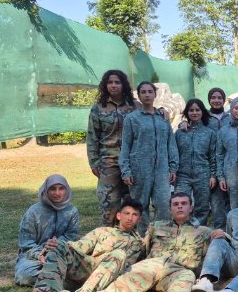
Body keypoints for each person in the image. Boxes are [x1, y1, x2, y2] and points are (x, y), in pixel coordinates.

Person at [56, 193, 225, 292]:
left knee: (187, 276)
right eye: (175, 204)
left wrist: (224, 235)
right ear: (170, 209)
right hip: (152, 265)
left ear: (191, 208)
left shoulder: (203, 231)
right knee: (124, 284)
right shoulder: (156, 226)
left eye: (184, 203)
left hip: (177, 271)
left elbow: (219, 252)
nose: (179, 206)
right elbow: (142, 249)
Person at [29, 198, 144, 292]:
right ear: (118, 215)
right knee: (61, 245)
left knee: (119, 254)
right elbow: (79, 246)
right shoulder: (103, 231)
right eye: (126, 213)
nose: (130, 218)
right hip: (88, 266)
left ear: (139, 219)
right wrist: (58, 246)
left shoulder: (139, 244)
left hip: (108, 274)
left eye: (135, 215)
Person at [118, 82, 178, 234]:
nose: (147, 95)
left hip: (162, 170)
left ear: (155, 94)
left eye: (150, 92)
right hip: (139, 170)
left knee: (163, 204)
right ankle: (143, 239)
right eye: (143, 92)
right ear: (138, 95)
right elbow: (125, 145)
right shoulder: (132, 119)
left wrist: (173, 166)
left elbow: (171, 143)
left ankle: (161, 237)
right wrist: (126, 170)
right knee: (140, 206)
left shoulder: (162, 118)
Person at [86, 69, 140, 226]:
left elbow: (151, 115)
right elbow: (92, 137)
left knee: (133, 203)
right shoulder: (98, 108)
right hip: (109, 161)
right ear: (105, 85)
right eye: (110, 82)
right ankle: (109, 238)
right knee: (109, 203)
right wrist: (93, 162)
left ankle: (133, 238)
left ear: (123, 85)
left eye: (117, 82)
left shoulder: (135, 106)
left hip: (132, 162)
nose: (114, 85)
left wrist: (162, 111)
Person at [15, 175, 80, 286]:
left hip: (62, 253)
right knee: (24, 276)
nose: (57, 193)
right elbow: (26, 243)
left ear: (67, 190)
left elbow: (71, 236)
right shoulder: (33, 212)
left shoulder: (71, 211)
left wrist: (57, 244)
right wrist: (41, 253)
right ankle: (61, 279)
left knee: (83, 268)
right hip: (33, 256)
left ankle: (51, 278)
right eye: (52, 189)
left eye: (61, 188)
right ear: (45, 190)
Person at [175, 99, 217, 224]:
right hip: (182, 175)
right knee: (180, 204)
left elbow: (213, 156)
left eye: (197, 110)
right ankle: (182, 231)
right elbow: (174, 154)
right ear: (187, 113)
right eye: (191, 110)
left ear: (202, 112)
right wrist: (173, 171)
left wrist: (213, 175)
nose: (194, 113)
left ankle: (199, 234)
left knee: (202, 207)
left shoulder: (209, 133)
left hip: (203, 175)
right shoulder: (179, 133)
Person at [207, 88, 231, 230]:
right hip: (211, 165)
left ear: (224, 99)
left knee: (231, 203)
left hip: (228, 165)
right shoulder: (204, 117)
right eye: (213, 97)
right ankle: (218, 233)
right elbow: (190, 122)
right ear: (209, 100)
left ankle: (232, 234)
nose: (216, 100)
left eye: (219, 97)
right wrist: (182, 124)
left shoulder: (230, 117)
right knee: (216, 205)